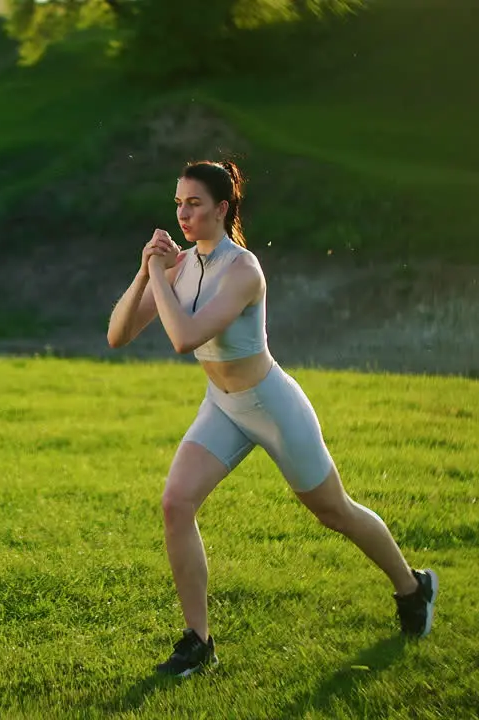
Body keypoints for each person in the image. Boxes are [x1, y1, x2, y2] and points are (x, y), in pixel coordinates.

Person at [105, 160, 437, 678]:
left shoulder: (244, 270)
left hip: (272, 406)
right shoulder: (182, 264)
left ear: (222, 207)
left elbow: (183, 337)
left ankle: (413, 586)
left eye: (193, 203)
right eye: (177, 204)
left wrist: (157, 275)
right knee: (176, 503)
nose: (182, 214)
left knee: (335, 512)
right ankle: (199, 641)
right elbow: (118, 335)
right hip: (222, 406)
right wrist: (144, 269)